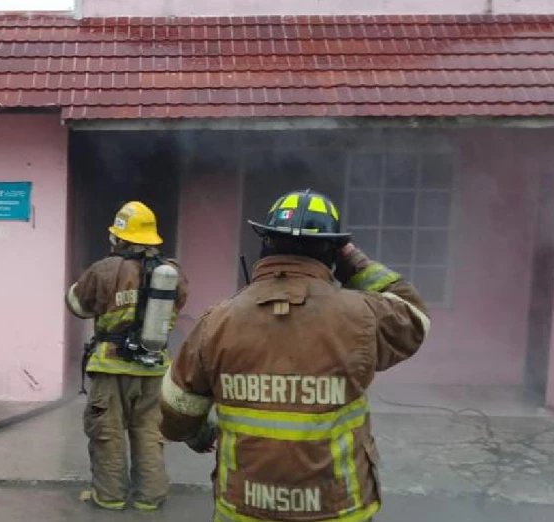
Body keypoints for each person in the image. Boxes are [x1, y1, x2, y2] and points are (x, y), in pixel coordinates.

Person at [158, 189, 430, 522]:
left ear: (265, 244)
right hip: (337, 510)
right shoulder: (363, 314)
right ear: (333, 253)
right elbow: (414, 317)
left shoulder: (217, 321)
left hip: (244, 508)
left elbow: (175, 411)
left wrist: (198, 434)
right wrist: (354, 263)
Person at [65, 200, 189, 512]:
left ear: (120, 237)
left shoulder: (104, 269)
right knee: (149, 432)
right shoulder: (172, 272)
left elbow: (78, 306)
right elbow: (178, 306)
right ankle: (150, 497)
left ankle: (109, 496)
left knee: (107, 432)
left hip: (111, 367)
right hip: (154, 368)